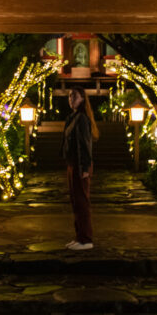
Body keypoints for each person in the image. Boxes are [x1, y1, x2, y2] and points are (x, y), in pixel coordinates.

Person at [62, 87, 99, 250]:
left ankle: (86, 239)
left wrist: (84, 167)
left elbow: (85, 144)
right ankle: (79, 237)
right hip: (72, 163)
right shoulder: (72, 117)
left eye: (74, 96)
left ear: (82, 99)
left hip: (80, 164)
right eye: (70, 96)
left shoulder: (82, 118)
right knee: (75, 201)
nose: (71, 99)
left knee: (82, 201)